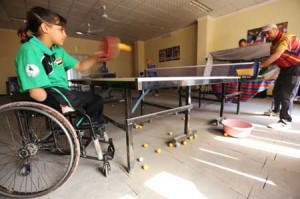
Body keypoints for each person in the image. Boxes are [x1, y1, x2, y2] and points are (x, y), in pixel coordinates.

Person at [15, 7, 108, 127]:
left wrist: (94, 57)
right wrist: (56, 106)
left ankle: (84, 125)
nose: (65, 35)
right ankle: (81, 127)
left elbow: (80, 66)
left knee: (95, 100)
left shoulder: (58, 50)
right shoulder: (29, 49)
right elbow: (36, 92)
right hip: (49, 92)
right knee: (92, 102)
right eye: (61, 30)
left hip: (61, 91)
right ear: (45, 28)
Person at [259, 23, 300, 129]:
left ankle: (286, 121)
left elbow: (277, 54)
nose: (267, 36)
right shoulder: (273, 45)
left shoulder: (287, 37)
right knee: (277, 91)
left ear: (276, 29)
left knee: (287, 95)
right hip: (285, 69)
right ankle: (276, 111)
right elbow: (274, 60)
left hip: (296, 67)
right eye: (265, 34)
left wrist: (260, 66)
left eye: (268, 32)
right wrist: (260, 66)